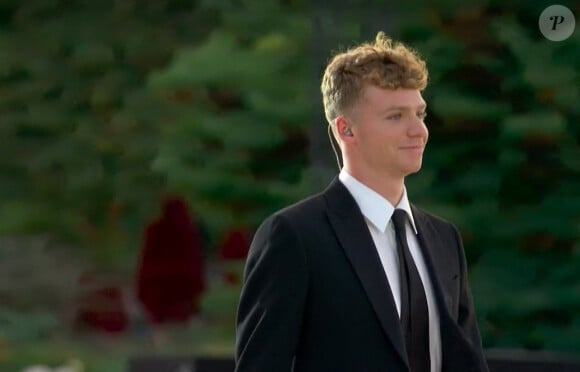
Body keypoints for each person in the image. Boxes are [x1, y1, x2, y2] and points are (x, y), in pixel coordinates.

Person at [235, 32, 489, 372]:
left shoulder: (444, 239)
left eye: (420, 114)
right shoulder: (294, 236)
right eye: (396, 116)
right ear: (346, 130)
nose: (419, 130)